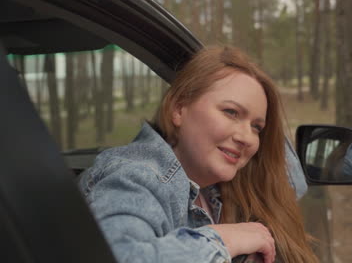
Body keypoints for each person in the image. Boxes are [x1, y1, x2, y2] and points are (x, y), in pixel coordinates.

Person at [79, 46, 317, 263]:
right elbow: (122, 256)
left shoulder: (218, 186)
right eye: (231, 112)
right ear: (179, 109)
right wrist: (221, 240)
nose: (247, 137)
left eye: (257, 127)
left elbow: (282, 178)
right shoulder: (138, 176)